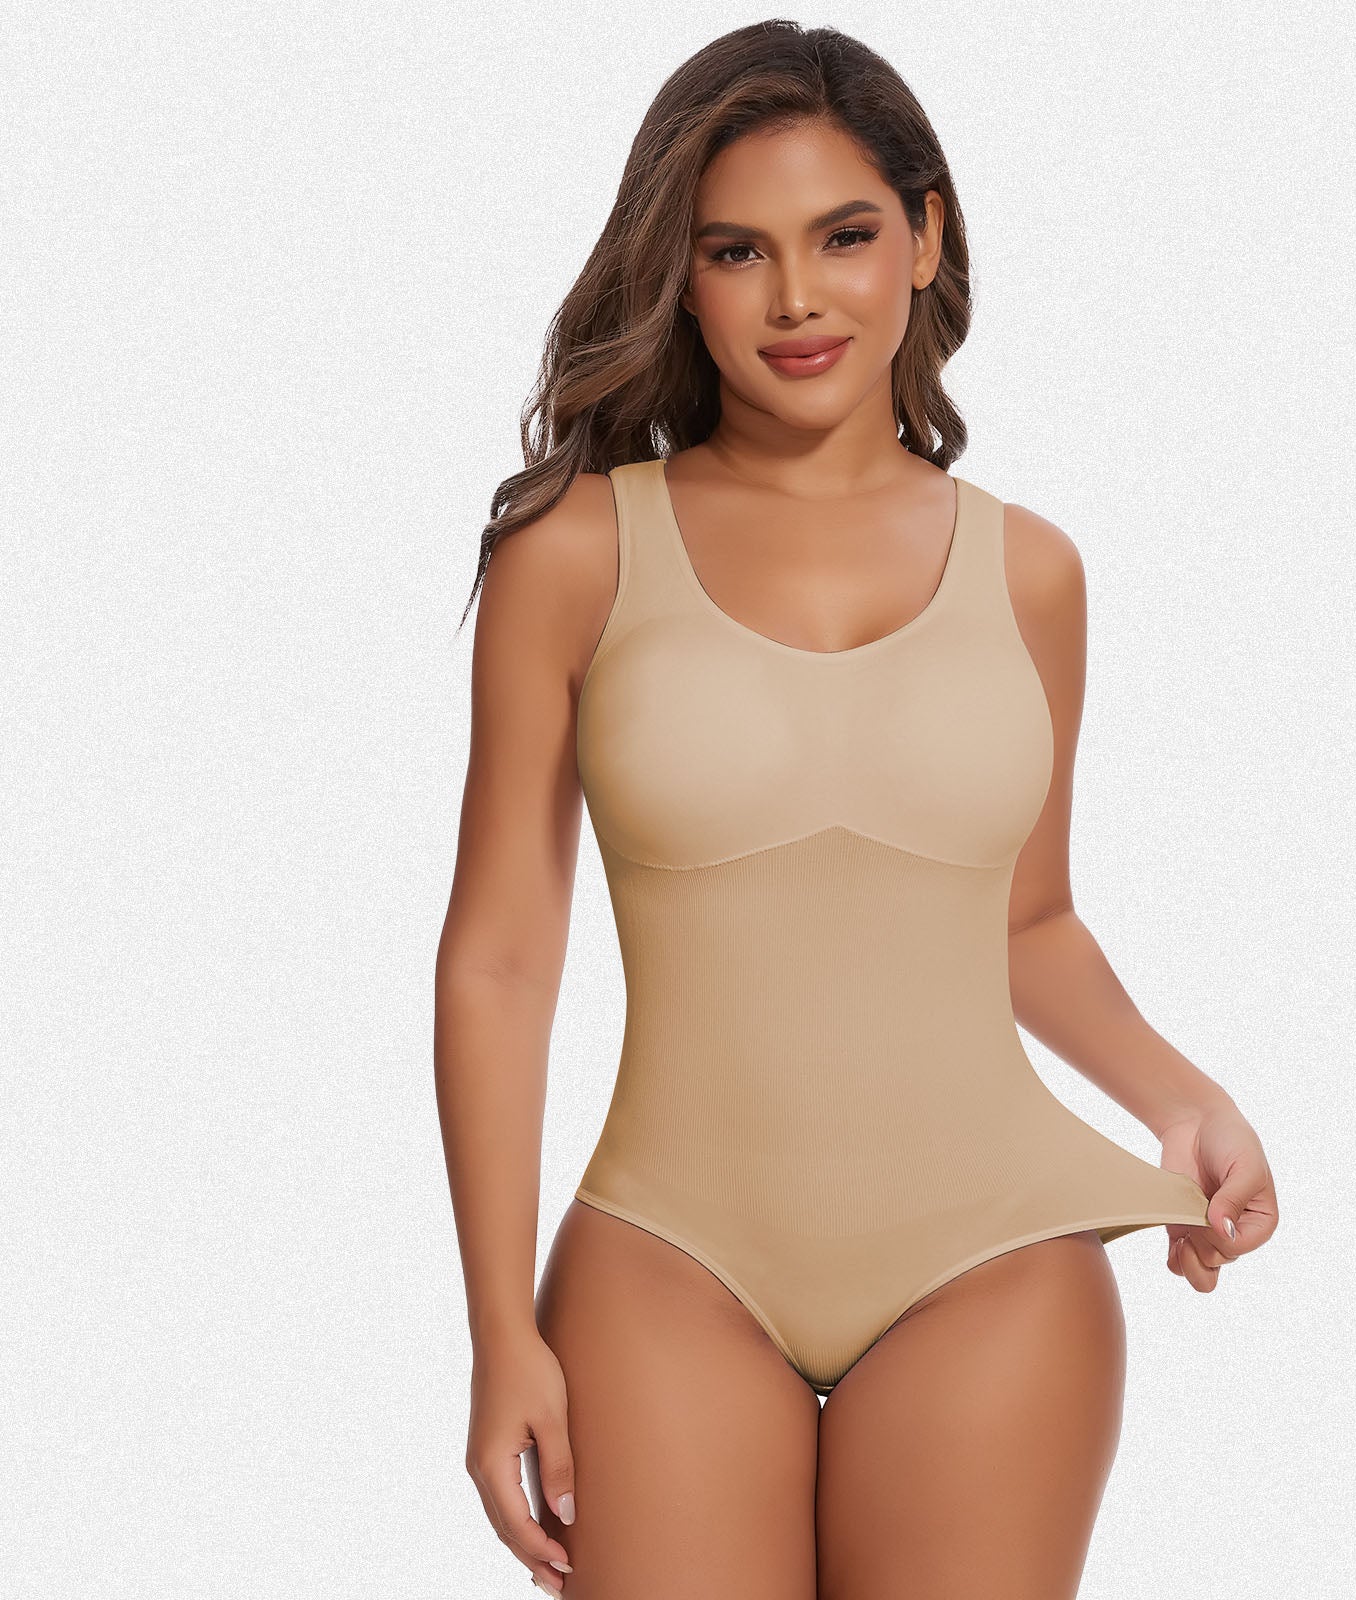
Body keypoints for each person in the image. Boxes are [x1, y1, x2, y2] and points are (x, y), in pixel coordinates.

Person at [434, 20, 1277, 1599]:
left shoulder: (1031, 571)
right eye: (736, 251)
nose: (796, 299)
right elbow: (499, 961)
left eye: (844, 236)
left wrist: (1183, 1098)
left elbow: (1027, 919)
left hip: (991, 1262)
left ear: (924, 238)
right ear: (681, 277)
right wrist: (497, 1336)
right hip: (666, 1264)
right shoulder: (575, 553)